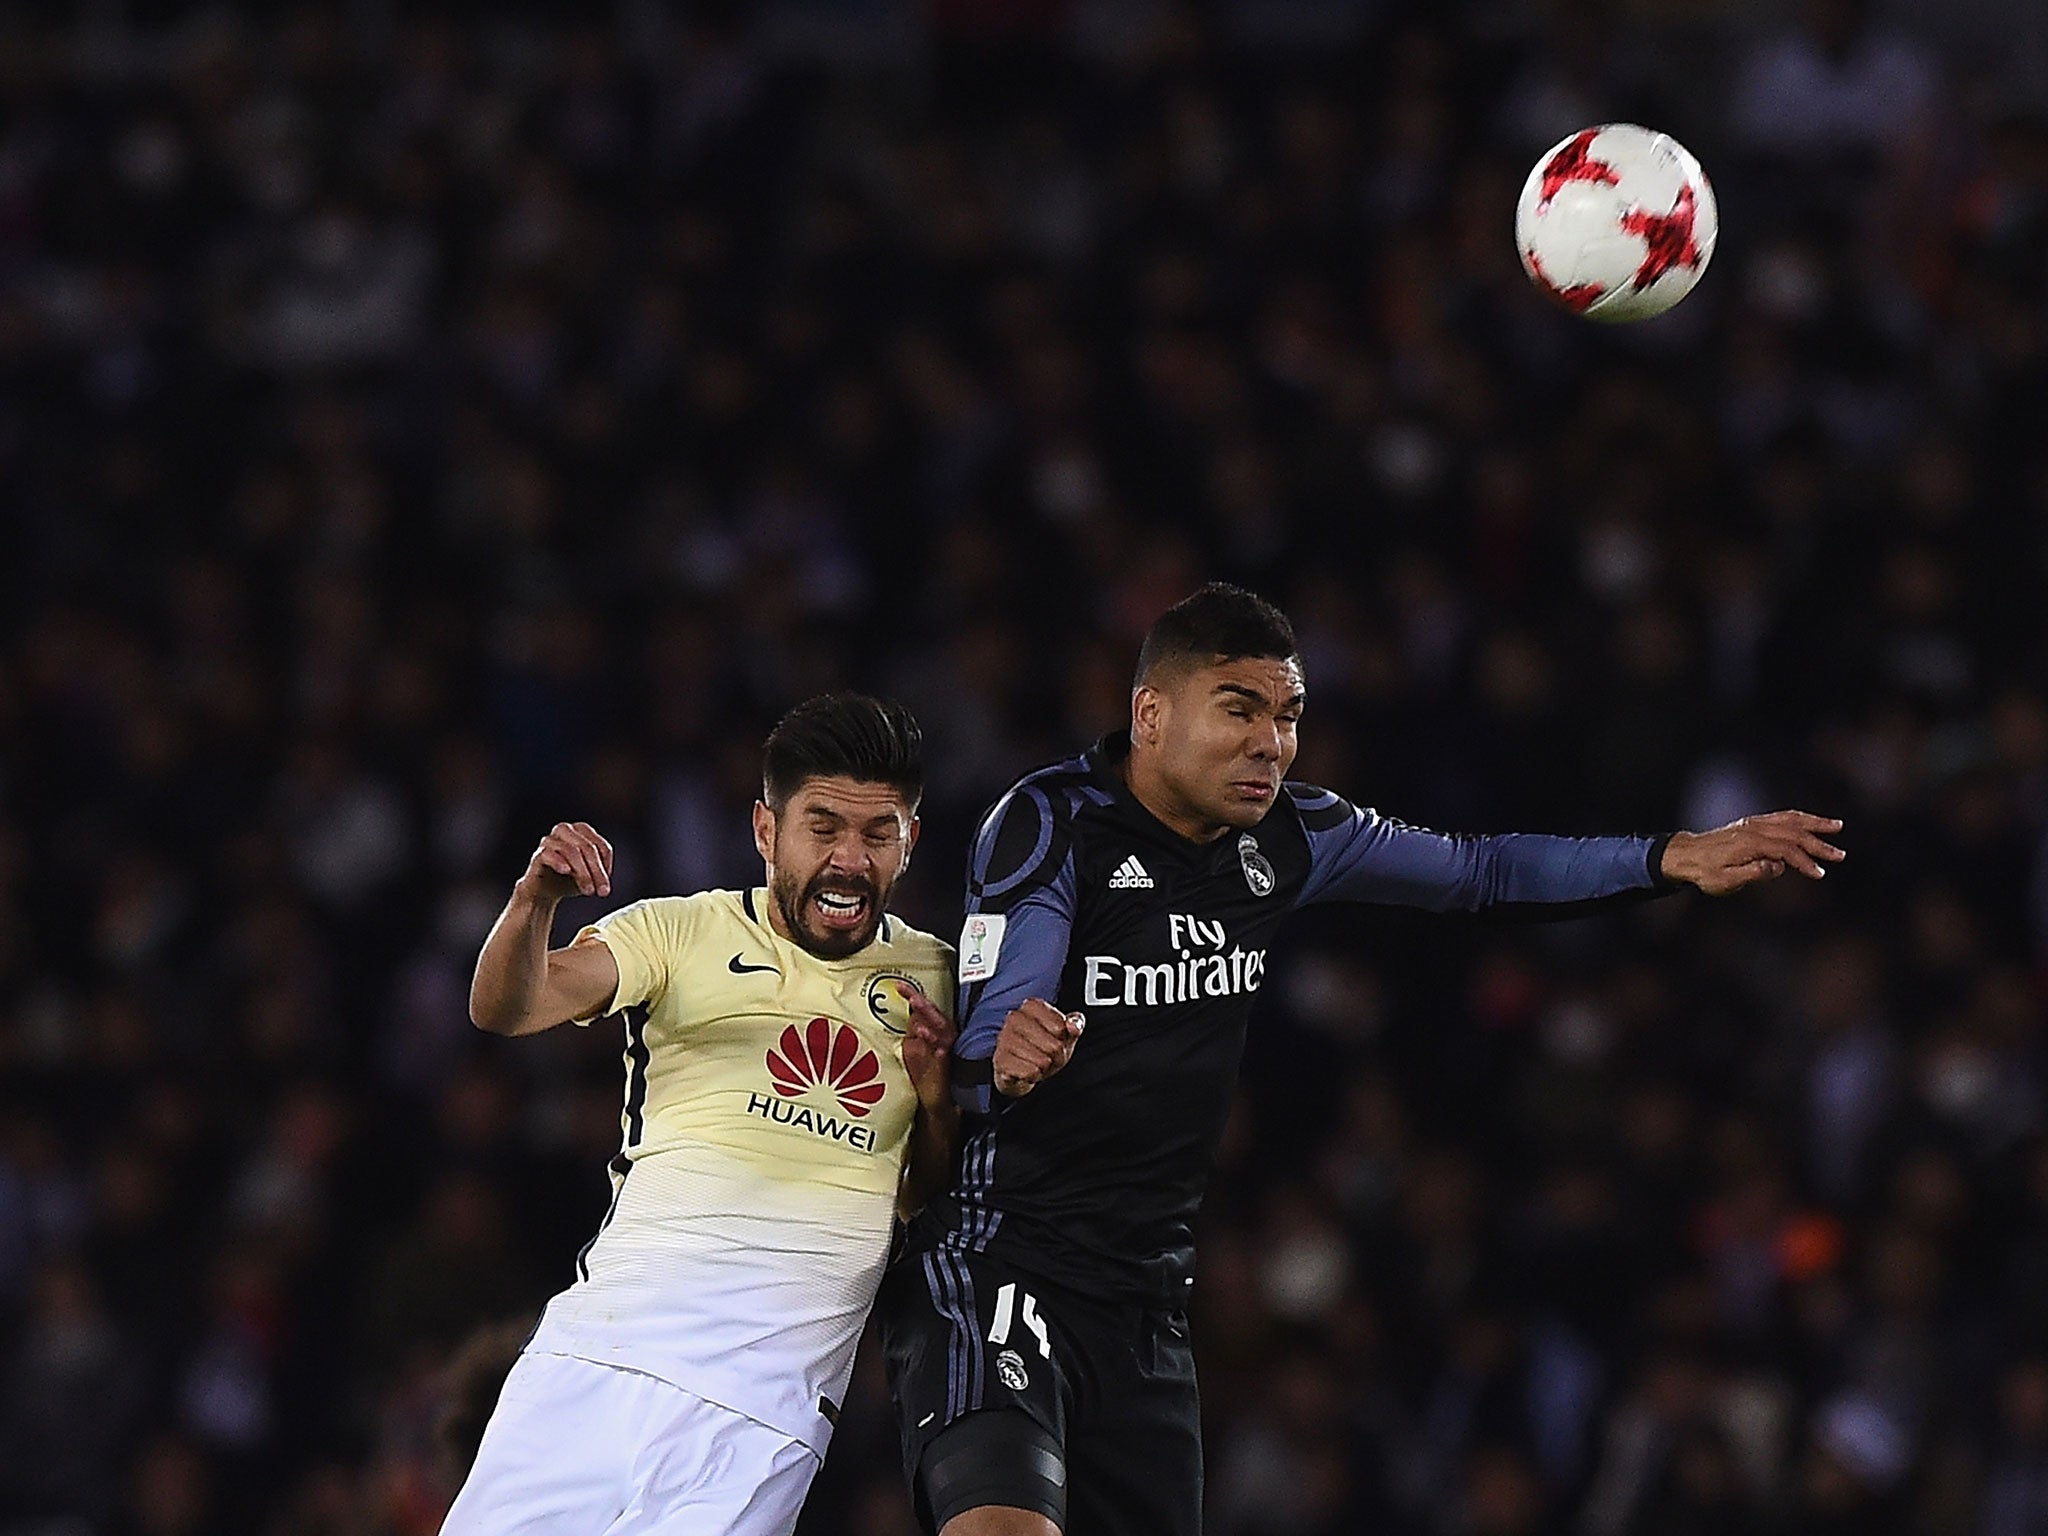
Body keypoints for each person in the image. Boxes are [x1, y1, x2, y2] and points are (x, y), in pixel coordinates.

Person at [879, 583, 1846, 1536]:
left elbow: (1481, 870)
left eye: (1289, 716)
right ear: (1150, 713)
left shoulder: (1296, 836)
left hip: (1144, 1303)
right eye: (1239, 710)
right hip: (999, 1263)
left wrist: (1669, 857)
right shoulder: (1052, 822)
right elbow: (979, 1056)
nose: (1271, 742)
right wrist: (1006, 1061)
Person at [445, 693, 960, 1536]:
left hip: (763, 1416)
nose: (850, 859)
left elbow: (931, 1200)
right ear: (766, 830)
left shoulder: (940, 982)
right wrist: (535, 900)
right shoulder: (678, 931)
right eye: (822, 827)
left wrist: (938, 1102)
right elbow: (508, 1007)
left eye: (879, 834)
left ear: (911, 839)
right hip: (596, 1361)